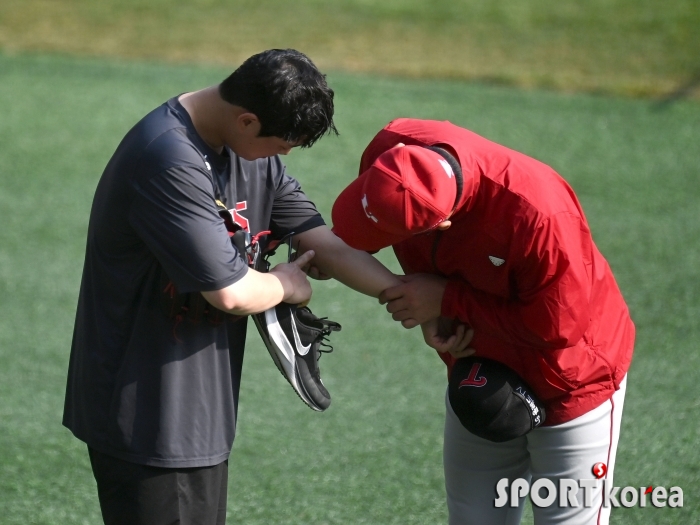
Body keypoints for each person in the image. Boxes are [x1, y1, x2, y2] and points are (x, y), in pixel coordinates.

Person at [63, 49, 400, 525]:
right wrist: (285, 284)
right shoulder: (168, 159)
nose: (286, 155)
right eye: (283, 144)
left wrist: (403, 294)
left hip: (200, 410)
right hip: (146, 412)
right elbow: (231, 293)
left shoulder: (251, 154)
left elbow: (325, 245)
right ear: (247, 120)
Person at [331, 118, 635, 525]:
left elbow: (559, 327)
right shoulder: (391, 147)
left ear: (440, 223)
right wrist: (435, 310)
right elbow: (398, 237)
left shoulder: (539, 215)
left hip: (571, 380)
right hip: (477, 367)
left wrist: (446, 299)